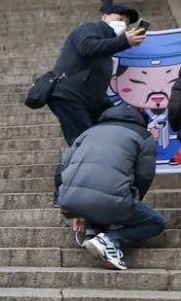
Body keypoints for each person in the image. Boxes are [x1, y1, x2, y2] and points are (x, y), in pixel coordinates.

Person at [60, 105, 165, 271]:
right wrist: (132, 201)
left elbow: (62, 168)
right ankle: (110, 239)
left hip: (69, 200)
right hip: (110, 202)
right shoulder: (143, 136)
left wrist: (72, 207)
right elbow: (144, 176)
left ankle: (93, 230)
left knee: (103, 198)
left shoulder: (88, 132)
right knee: (156, 223)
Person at [46, 6, 145, 146]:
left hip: (89, 98)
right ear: (105, 17)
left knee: (111, 127)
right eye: (119, 19)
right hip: (70, 94)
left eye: (126, 22)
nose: (123, 24)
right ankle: (80, 165)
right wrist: (125, 41)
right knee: (85, 140)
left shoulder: (108, 45)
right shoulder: (89, 28)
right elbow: (88, 48)